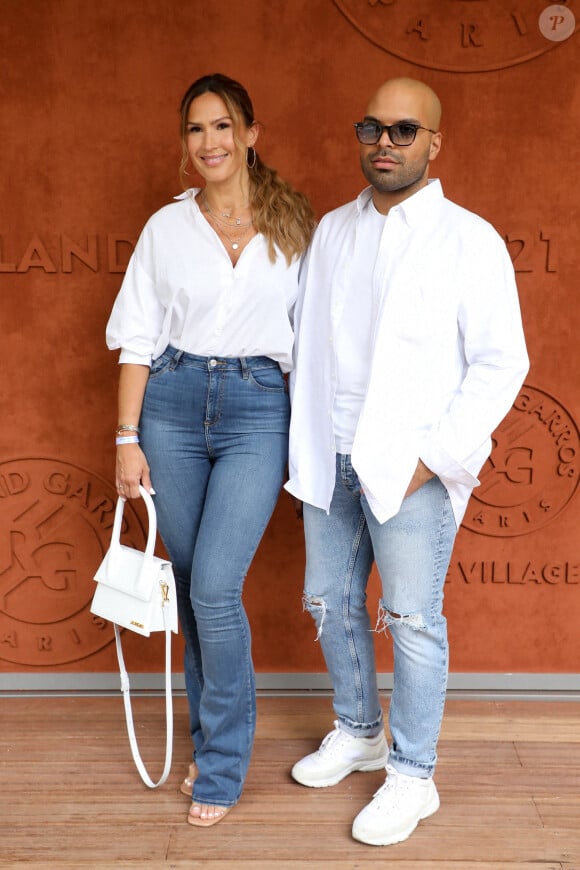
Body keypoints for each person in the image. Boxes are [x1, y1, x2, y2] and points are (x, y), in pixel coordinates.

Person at [285, 77, 528, 847]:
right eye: (371, 128)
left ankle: (413, 775)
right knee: (329, 600)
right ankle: (360, 733)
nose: (383, 143)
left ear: (433, 143)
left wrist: (434, 457)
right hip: (332, 453)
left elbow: (501, 362)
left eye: (402, 130)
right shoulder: (331, 231)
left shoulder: (469, 239)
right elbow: (303, 342)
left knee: (415, 620)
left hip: (413, 465)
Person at [106, 73, 315, 828]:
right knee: (195, 586)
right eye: (195, 130)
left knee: (215, 589)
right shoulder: (167, 229)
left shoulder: (295, 227)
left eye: (222, 126)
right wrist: (127, 438)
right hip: (171, 403)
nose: (209, 143)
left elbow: (317, 346)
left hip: (259, 411)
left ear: (251, 134)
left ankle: (222, 764)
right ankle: (209, 744)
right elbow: (135, 336)